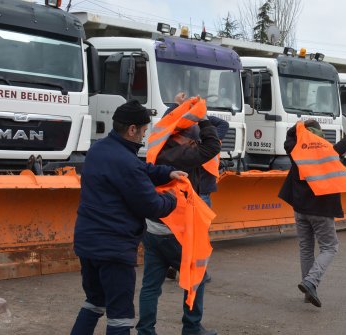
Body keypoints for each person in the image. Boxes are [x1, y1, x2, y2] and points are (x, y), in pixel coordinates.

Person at [71, 100, 184, 335]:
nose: (144, 136)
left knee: (94, 302)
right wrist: (174, 197)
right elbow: (152, 206)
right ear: (132, 129)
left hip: (88, 244)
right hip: (114, 248)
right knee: (120, 317)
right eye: (143, 131)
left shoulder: (99, 149)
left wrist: (166, 173)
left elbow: (139, 170)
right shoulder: (126, 161)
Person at [136, 93, 225, 335]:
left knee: (151, 285)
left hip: (154, 228)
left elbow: (168, 121)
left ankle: (145, 330)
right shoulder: (184, 155)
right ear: (186, 140)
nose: (195, 145)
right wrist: (203, 118)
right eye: (193, 142)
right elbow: (213, 145)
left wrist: (179, 107)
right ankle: (192, 327)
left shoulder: (160, 145)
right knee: (196, 276)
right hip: (176, 231)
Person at [278, 119, 346, 308]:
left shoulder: (295, 151)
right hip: (321, 211)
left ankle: (309, 293)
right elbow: (341, 146)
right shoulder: (328, 153)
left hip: (300, 209)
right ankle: (310, 282)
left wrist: (300, 125)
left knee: (306, 249)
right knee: (330, 247)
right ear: (321, 138)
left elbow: (289, 136)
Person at [165, 92, 229, 282]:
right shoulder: (197, 144)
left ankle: (174, 264)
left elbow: (222, 125)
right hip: (198, 191)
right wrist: (185, 108)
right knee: (197, 234)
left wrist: (195, 113)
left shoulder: (197, 141)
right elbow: (167, 122)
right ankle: (196, 270)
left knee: (183, 231)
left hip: (195, 189)